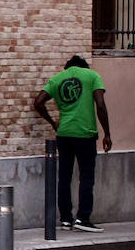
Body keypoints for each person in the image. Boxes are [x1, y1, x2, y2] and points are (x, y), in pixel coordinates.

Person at [34, 55, 112, 233]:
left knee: (64, 176)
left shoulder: (57, 79)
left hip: (64, 134)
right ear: (84, 66)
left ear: (67, 67)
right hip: (85, 134)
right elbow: (100, 104)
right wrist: (107, 133)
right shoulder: (92, 76)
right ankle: (83, 218)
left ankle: (66, 218)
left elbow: (38, 102)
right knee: (86, 176)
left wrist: (53, 122)